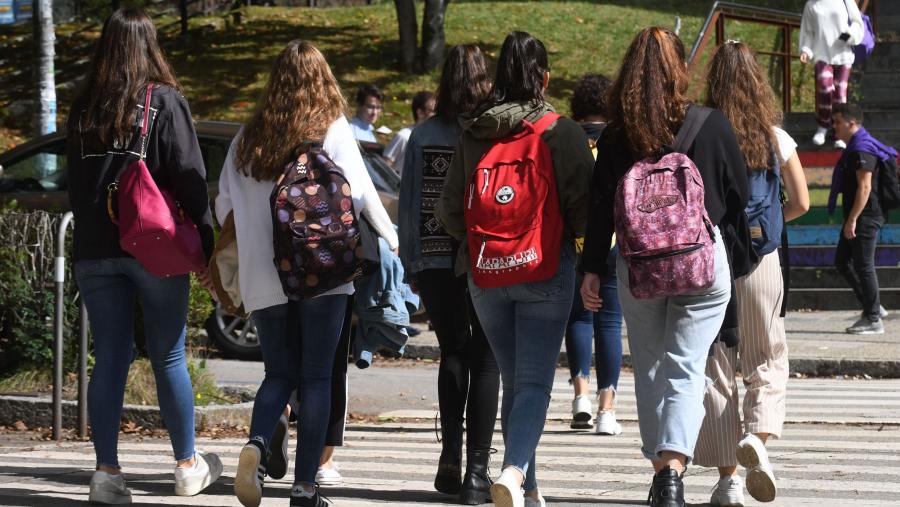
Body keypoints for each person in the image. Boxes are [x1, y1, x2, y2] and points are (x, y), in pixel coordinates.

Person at [215, 40, 398, 507]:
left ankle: (257, 442)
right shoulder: (332, 129)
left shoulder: (246, 138)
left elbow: (222, 209)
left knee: (278, 373)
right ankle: (304, 487)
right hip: (322, 271)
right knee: (317, 378)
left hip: (262, 275)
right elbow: (360, 195)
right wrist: (391, 239)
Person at [580, 27, 749, 507]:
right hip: (701, 265)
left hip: (639, 268)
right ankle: (674, 470)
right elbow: (738, 193)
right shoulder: (710, 124)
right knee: (686, 366)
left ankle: (662, 473)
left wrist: (591, 267)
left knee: (650, 366)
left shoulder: (617, 135)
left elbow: (600, 207)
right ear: (680, 69)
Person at [66, 7, 222, 504]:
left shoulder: (84, 107)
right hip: (154, 245)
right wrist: (206, 244)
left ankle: (106, 473)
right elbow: (190, 177)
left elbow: (74, 183)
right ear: (150, 45)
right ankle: (186, 466)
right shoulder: (164, 100)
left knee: (110, 356)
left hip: (95, 248)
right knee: (168, 353)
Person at [437, 31, 594, 507]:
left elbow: (448, 211)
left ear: (498, 79)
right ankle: (513, 471)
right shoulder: (560, 131)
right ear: (544, 78)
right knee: (533, 385)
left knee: (514, 382)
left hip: (486, 273)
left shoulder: (475, 131)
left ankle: (528, 488)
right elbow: (584, 209)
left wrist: (485, 241)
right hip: (544, 269)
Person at [692, 41, 810, 506]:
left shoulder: (702, 131)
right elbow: (801, 202)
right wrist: (769, 225)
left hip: (712, 259)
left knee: (717, 365)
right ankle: (757, 437)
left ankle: (729, 482)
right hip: (761, 260)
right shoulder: (774, 136)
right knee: (767, 356)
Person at [398, 44, 499, 505]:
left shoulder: (422, 134)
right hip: (487, 257)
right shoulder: (494, 131)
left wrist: (412, 263)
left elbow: (409, 204)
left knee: (453, 352)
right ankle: (479, 471)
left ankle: (450, 455)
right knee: (486, 358)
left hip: (436, 260)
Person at [563, 73, 624, 436]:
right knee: (610, 323)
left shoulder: (567, 138)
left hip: (574, 240)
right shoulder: (619, 137)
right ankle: (606, 409)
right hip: (614, 241)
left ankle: (580, 397)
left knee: (578, 318)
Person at [829, 102, 896, 335]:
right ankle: (872, 305)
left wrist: (853, 219)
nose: (834, 126)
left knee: (864, 265)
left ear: (851, 123)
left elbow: (865, 187)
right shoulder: (856, 146)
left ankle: (873, 318)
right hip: (858, 216)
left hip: (866, 216)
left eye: (838, 122)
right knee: (842, 261)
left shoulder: (861, 149)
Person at [800, 0, 865, 148]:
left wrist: (849, 35)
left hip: (843, 54)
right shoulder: (811, 4)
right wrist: (805, 50)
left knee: (840, 95)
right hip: (821, 53)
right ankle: (823, 124)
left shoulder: (845, 1)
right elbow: (808, 31)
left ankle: (838, 133)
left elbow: (857, 22)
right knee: (825, 88)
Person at [385, 90, 436, 175]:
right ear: (420, 113)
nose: (438, 116)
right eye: (433, 111)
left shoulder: (435, 141)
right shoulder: (404, 136)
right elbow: (384, 168)